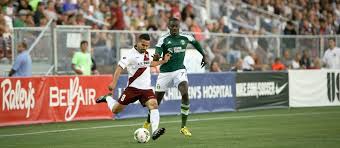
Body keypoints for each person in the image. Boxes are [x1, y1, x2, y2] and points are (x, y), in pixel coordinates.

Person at [96, 34, 171, 140]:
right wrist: (113, 83)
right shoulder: (129, 55)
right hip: (132, 89)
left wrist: (163, 61)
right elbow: (119, 68)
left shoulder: (147, 54)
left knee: (154, 105)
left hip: (146, 88)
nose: (145, 47)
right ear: (137, 42)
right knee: (115, 110)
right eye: (143, 45)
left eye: (147, 45)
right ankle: (107, 98)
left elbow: (150, 63)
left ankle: (154, 131)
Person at [143, 17, 208, 137]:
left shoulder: (185, 37)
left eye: (176, 26)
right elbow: (157, 52)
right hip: (165, 72)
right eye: (172, 26)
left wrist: (204, 55)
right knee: (156, 102)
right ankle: (147, 122)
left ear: (179, 26)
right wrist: (157, 57)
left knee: (185, 93)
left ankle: (183, 127)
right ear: (168, 27)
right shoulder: (164, 39)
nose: (174, 28)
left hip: (179, 70)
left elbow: (196, 43)